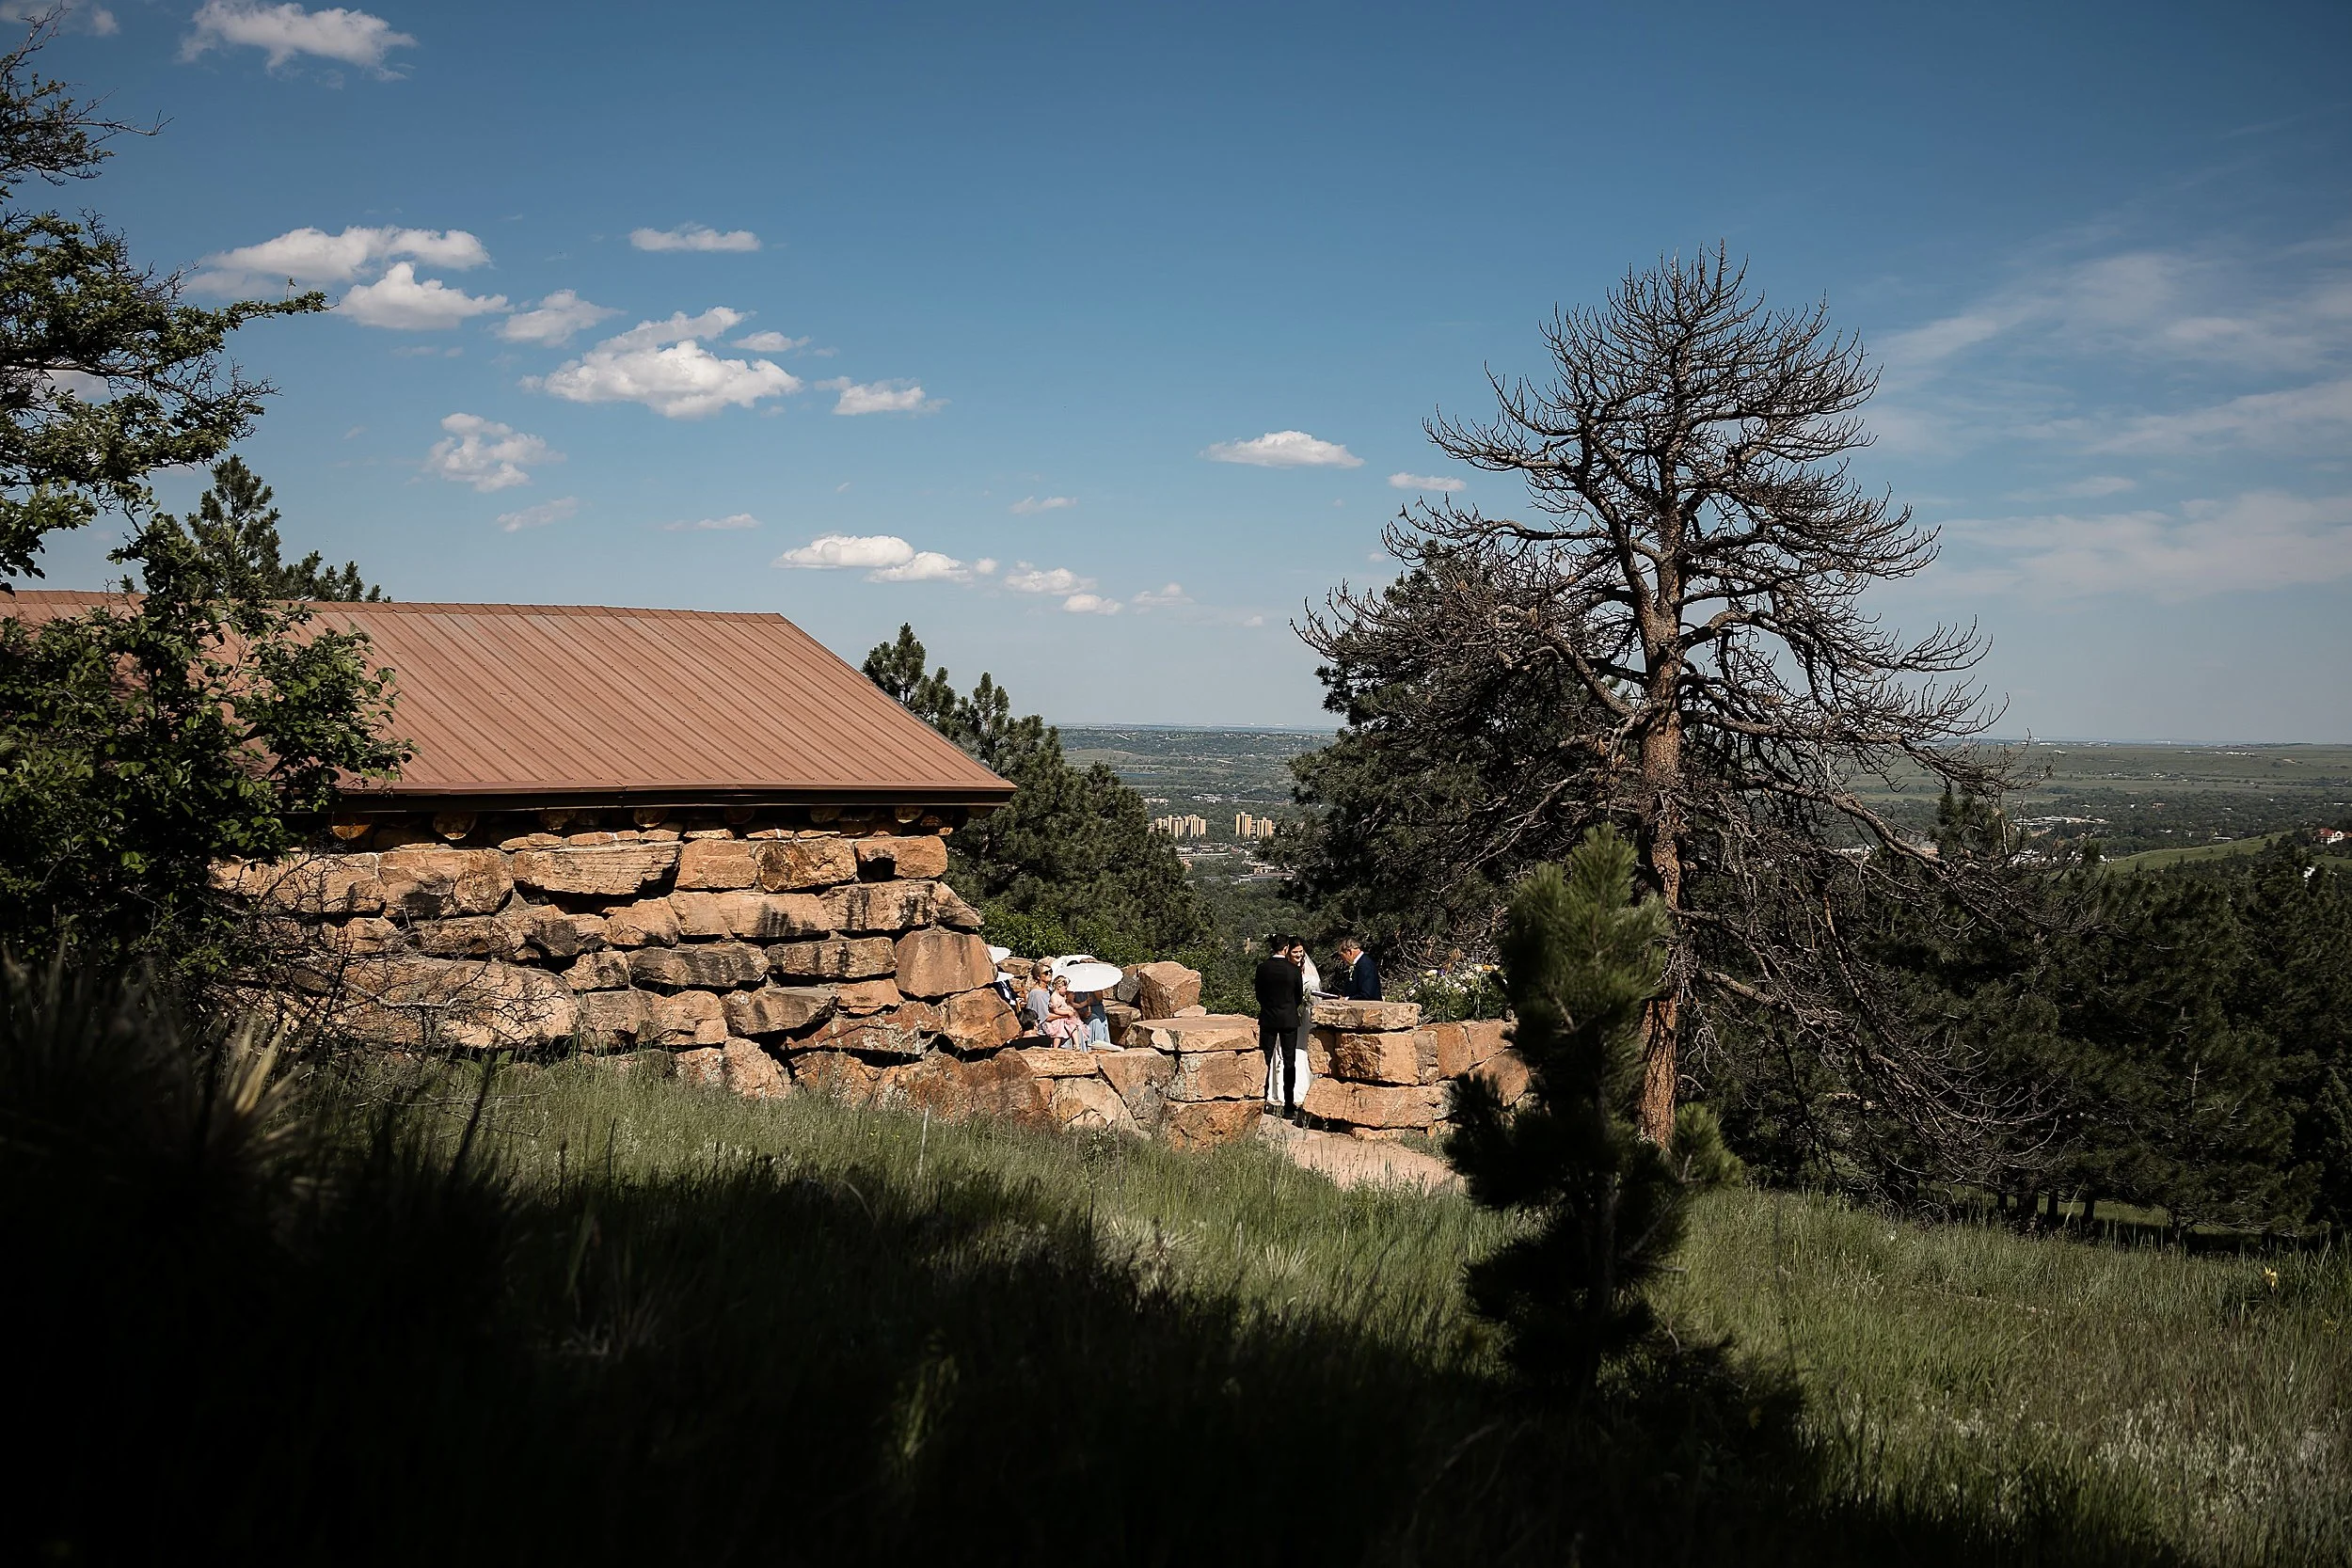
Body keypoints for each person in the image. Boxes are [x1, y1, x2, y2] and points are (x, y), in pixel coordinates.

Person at [1253, 932, 1306, 1118]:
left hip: (1268, 1018)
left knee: (1265, 1059)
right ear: (1286, 949)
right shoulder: (1293, 970)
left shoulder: (1262, 968)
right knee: (1289, 1062)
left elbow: (1259, 994)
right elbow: (1298, 996)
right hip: (1289, 1019)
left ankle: (1262, 1099)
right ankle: (1289, 1105)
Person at [1042, 975, 1089, 1049]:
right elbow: (1056, 1010)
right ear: (1059, 987)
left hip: (1066, 1017)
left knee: (1073, 1026)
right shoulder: (1054, 997)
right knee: (1059, 1032)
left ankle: (1076, 1045)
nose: (1066, 990)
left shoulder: (1063, 996)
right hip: (1059, 1018)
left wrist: (1069, 1009)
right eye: (1065, 988)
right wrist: (1066, 1013)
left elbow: (1067, 1004)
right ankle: (1055, 1048)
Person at [1336, 936, 1381, 1001]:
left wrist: (1347, 999)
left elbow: (1367, 994)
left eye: (1343, 957)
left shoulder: (1366, 964)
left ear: (1349, 952)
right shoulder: (1358, 964)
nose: (1344, 961)